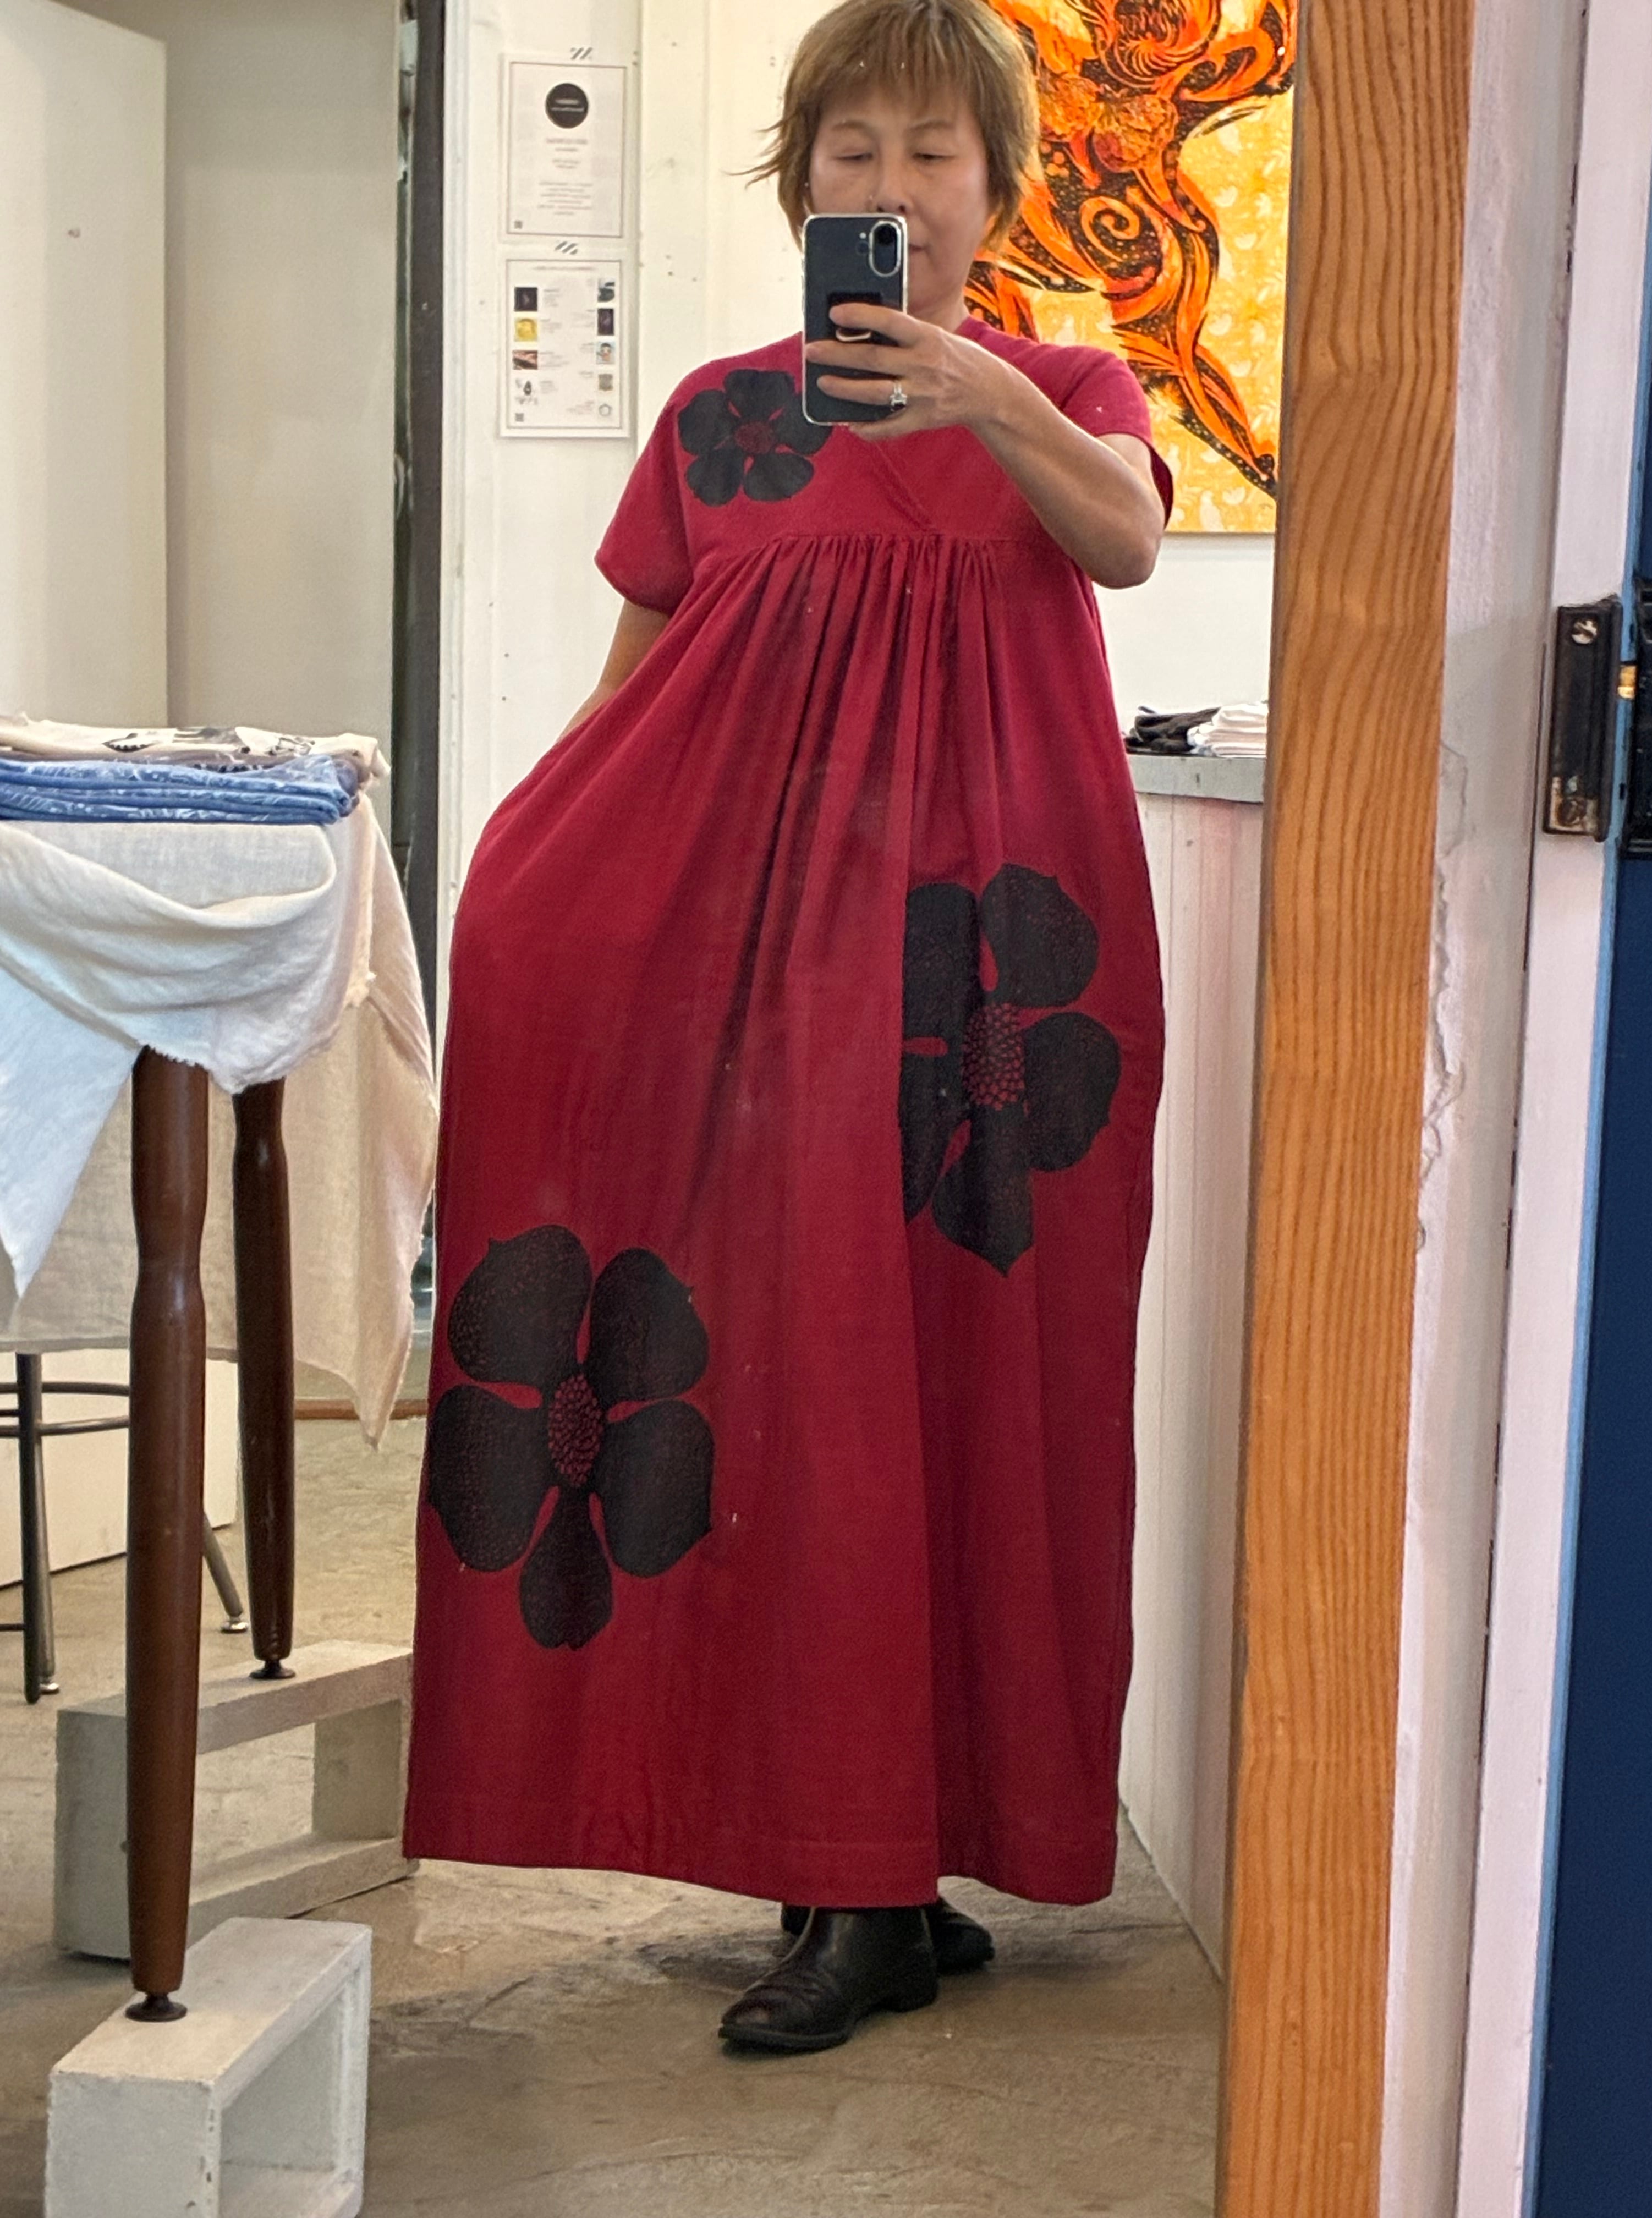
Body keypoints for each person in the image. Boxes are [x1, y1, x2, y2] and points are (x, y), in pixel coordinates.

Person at [404, 0, 1170, 2055]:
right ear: (797, 180)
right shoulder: (719, 421)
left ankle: (897, 1863)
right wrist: (530, 893)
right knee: (778, 1384)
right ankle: (847, 1868)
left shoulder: (1069, 388)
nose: (891, 187)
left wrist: (979, 397)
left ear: (998, 192)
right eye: (853, 152)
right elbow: (631, 698)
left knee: (966, 1387)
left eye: (934, 155)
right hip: (758, 982)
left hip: (978, 999)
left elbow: (1126, 538)